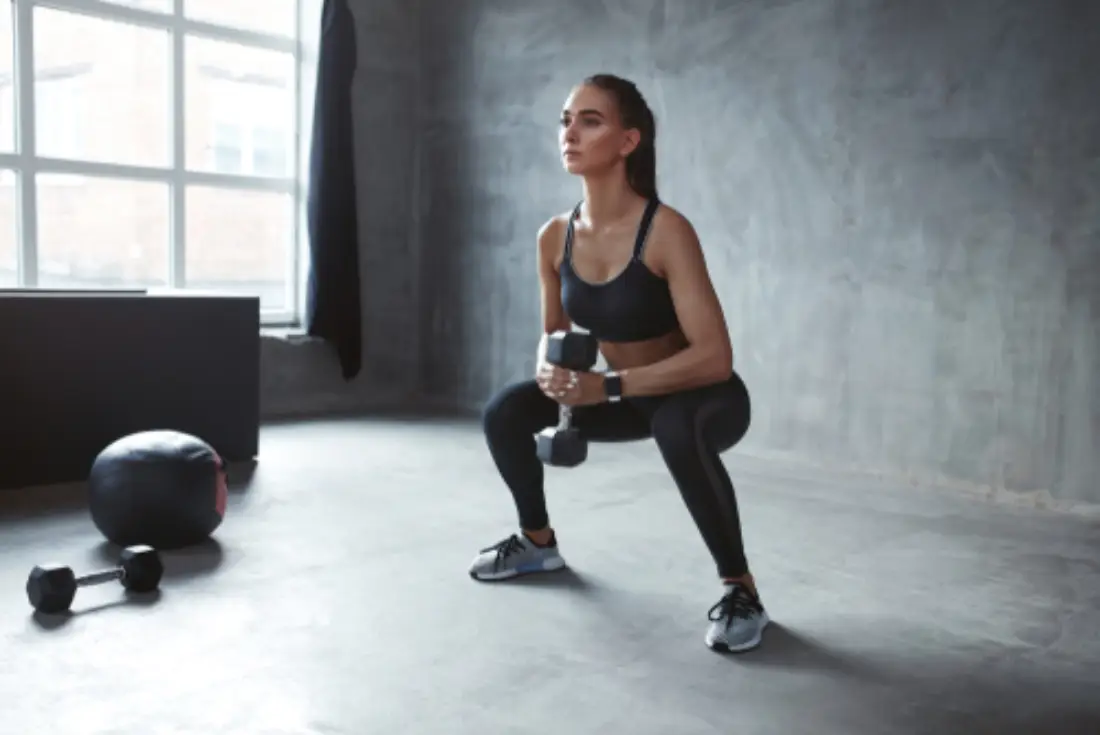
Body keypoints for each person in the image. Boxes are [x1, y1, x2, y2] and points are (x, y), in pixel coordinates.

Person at [469, 73, 768, 653]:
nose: (570, 133)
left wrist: (606, 388)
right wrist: (551, 373)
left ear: (629, 141)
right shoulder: (554, 236)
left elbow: (714, 357)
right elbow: (554, 330)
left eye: (590, 120)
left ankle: (741, 589)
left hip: (702, 397)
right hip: (622, 397)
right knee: (505, 411)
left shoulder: (666, 231)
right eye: (565, 120)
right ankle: (537, 542)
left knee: (675, 426)